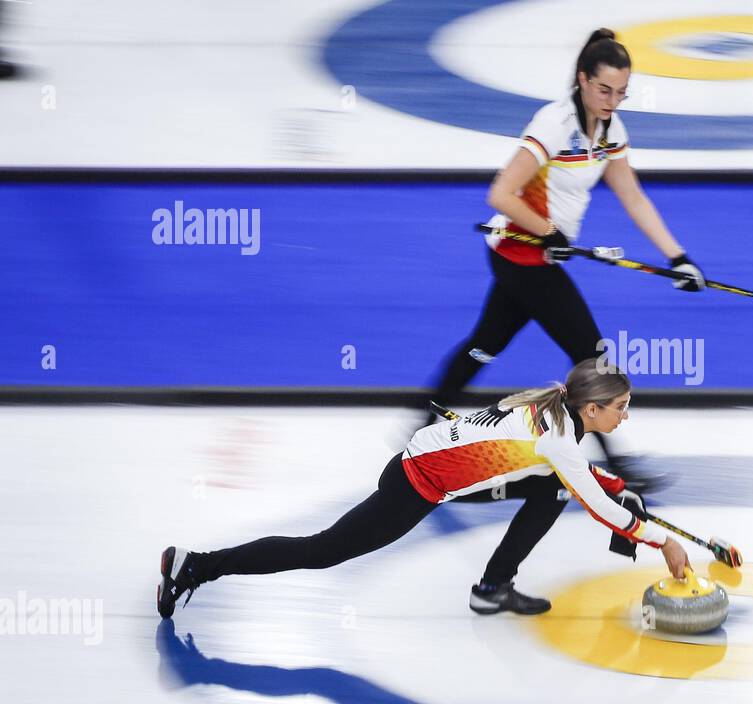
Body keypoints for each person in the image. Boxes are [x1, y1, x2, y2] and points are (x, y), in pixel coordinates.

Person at [157, 359, 692, 619]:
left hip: (447, 472)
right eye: (620, 407)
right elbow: (598, 506)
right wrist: (658, 539)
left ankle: (491, 590)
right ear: (590, 408)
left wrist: (613, 491)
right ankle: (197, 564)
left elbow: (571, 480)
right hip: (415, 484)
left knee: (550, 490)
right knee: (323, 551)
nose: (626, 415)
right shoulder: (559, 437)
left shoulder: (553, 415)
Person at [428, 28, 702, 492]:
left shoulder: (611, 130)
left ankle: (424, 421)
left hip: (541, 258)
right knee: (594, 358)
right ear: (582, 79)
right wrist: (548, 232)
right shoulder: (554, 123)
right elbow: (501, 192)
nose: (612, 101)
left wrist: (677, 257)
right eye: (603, 90)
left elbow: (632, 196)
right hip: (520, 255)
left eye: (621, 92)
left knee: (485, 345)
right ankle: (616, 464)